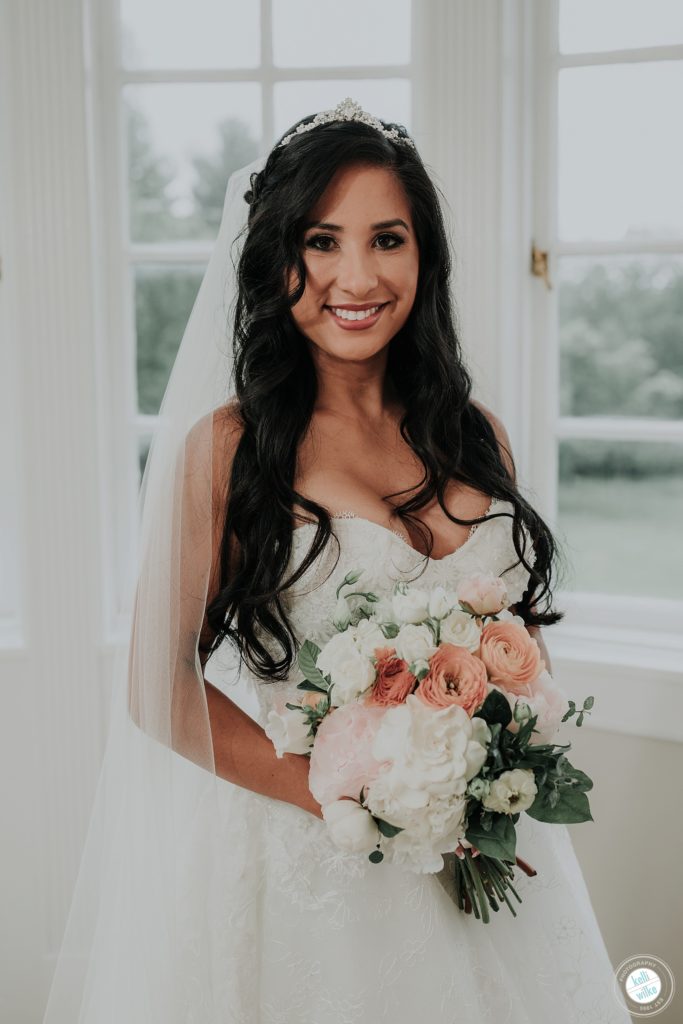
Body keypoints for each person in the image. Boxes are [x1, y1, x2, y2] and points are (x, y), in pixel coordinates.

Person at [43, 98, 632, 1022]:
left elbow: (510, 634)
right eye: (322, 241)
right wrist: (355, 798)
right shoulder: (228, 451)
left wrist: (496, 757)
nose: (354, 276)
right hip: (315, 870)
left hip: (478, 849)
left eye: (386, 239)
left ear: (422, 255)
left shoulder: (478, 439)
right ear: (278, 258)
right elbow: (158, 688)